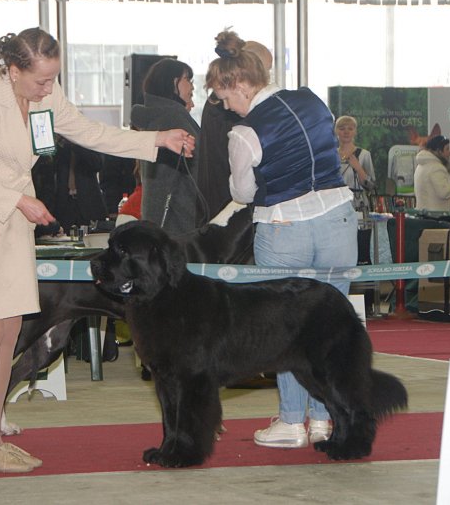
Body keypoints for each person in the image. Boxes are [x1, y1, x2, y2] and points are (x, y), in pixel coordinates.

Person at [0, 27, 194, 474]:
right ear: (13, 69)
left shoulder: (45, 98)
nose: (48, 88)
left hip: (19, 226)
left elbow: (90, 132)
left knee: (9, 335)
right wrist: (18, 199)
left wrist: (154, 140)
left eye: (53, 78)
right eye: (41, 79)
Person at [205, 29, 356, 449]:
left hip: (284, 226)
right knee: (331, 325)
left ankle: (292, 423)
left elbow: (243, 194)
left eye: (223, 96)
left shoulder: (244, 133)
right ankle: (326, 420)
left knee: (286, 328)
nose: (224, 106)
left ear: (239, 83)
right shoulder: (312, 99)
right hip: (339, 220)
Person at [196, 39, 272, 220]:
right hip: (229, 201)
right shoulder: (231, 104)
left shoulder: (219, 100)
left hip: (219, 196)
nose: (267, 78)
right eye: (266, 70)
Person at [130, 58, 200, 234]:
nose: (192, 86)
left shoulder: (162, 118)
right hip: (180, 223)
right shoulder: (172, 120)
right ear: (172, 82)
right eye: (188, 79)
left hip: (169, 222)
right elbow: (161, 184)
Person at [51, 135, 108, 231]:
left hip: (88, 203)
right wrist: (59, 142)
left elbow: (97, 164)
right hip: (64, 204)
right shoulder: (61, 146)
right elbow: (51, 165)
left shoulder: (89, 142)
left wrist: (76, 144)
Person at [336, 115, 376, 213]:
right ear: (336, 131)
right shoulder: (331, 155)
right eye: (342, 129)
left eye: (350, 129)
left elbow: (371, 186)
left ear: (355, 132)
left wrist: (358, 168)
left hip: (358, 206)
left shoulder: (364, 155)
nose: (346, 132)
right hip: (336, 205)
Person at [413, 135, 450, 211]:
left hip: (423, 214)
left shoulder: (421, 165)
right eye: (447, 149)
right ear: (439, 151)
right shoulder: (436, 168)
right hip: (435, 216)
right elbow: (445, 193)